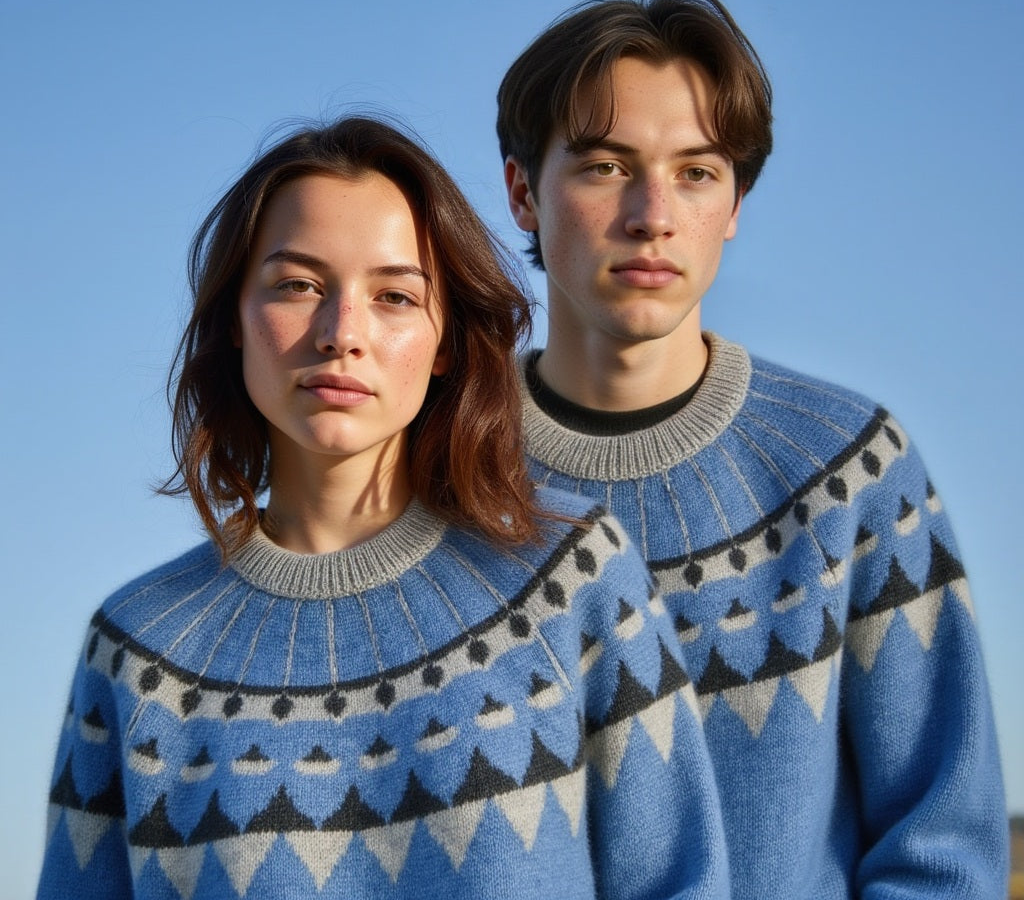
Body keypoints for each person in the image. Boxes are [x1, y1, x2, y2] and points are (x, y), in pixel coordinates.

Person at [37, 117, 729, 899]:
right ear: (235, 316)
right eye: (298, 286)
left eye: (395, 295)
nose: (342, 335)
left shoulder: (573, 582)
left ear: (444, 344)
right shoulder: (137, 655)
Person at [497, 0, 1009, 898]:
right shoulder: (430, 478)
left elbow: (945, 848)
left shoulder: (851, 474)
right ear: (522, 193)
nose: (653, 213)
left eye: (697, 171)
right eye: (606, 165)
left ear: (733, 206)